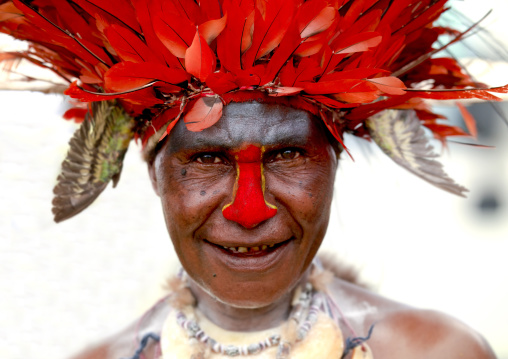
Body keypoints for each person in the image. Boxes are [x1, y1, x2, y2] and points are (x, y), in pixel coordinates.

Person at [0, 0, 503, 358]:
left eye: (287, 155)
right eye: (206, 160)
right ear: (155, 173)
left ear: (332, 166)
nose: (249, 209)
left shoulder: (437, 352)